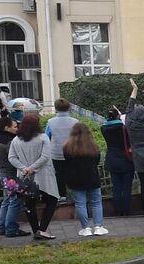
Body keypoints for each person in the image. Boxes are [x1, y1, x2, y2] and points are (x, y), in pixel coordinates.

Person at [7, 112, 61, 240]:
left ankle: (35, 229)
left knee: (29, 204)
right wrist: (33, 168)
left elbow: (11, 157)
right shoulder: (43, 138)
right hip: (43, 175)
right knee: (52, 200)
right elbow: (45, 156)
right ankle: (42, 229)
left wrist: (23, 168)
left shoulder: (16, 140)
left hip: (24, 176)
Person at [56, 121, 108, 237]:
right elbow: (97, 160)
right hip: (92, 177)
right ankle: (98, 226)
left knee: (80, 204)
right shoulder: (93, 146)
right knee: (96, 202)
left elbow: (66, 161)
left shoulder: (67, 147)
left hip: (75, 178)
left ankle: (85, 228)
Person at [101, 107, 134, 219]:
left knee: (116, 187)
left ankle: (118, 210)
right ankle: (126, 210)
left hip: (112, 159)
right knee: (126, 187)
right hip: (125, 159)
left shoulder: (103, 128)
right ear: (118, 116)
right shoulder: (123, 128)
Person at [45, 97, 79, 193]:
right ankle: (74, 194)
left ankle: (62, 195)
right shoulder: (75, 122)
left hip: (56, 153)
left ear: (56, 108)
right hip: (73, 152)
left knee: (59, 175)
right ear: (69, 108)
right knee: (73, 174)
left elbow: (47, 137)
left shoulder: (50, 122)